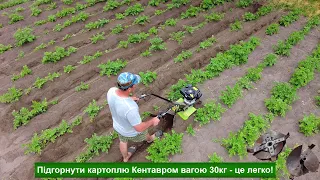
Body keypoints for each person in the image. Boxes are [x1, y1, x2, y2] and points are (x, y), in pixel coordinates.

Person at [107, 72, 163, 162]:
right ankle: (150, 139)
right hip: (131, 132)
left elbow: (118, 100)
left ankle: (125, 158)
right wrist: (152, 121)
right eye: (134, 85)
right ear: (129, 89)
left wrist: (128, 99)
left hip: (118, 126)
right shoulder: (130, 108)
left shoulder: (111, 91)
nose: (135, 86)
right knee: (144, 132)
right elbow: (139, 128)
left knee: (123, 141)